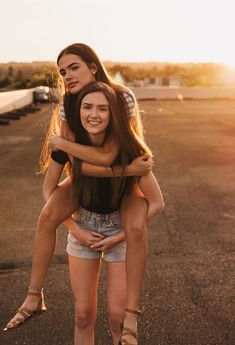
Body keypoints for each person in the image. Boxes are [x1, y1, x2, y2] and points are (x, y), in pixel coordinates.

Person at [4, 43, 164, 345]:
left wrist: (127, 170)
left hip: (122, 196)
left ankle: (132, 315)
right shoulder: (68, 104)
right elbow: (75, 169)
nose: (67, 75)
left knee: (117, 317)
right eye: (62, 71)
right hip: (85, 198)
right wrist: (75, 225)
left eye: (73, 67)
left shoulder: (121, 98)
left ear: (92, 65)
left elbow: (107, 156)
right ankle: (34, 295)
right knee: (49, 214)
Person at [45, 81, 164, 345]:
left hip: (118, 231)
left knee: (118, 319)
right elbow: (49, 197)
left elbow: (156, 203)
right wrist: (76, 230)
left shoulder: (128, 150)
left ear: (113, 115)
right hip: (82, 228)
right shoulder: (69, 147)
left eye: (103, 109)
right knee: (83, 315)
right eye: (87, 107)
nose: (94, 114)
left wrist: (119, 236)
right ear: (78, 113)